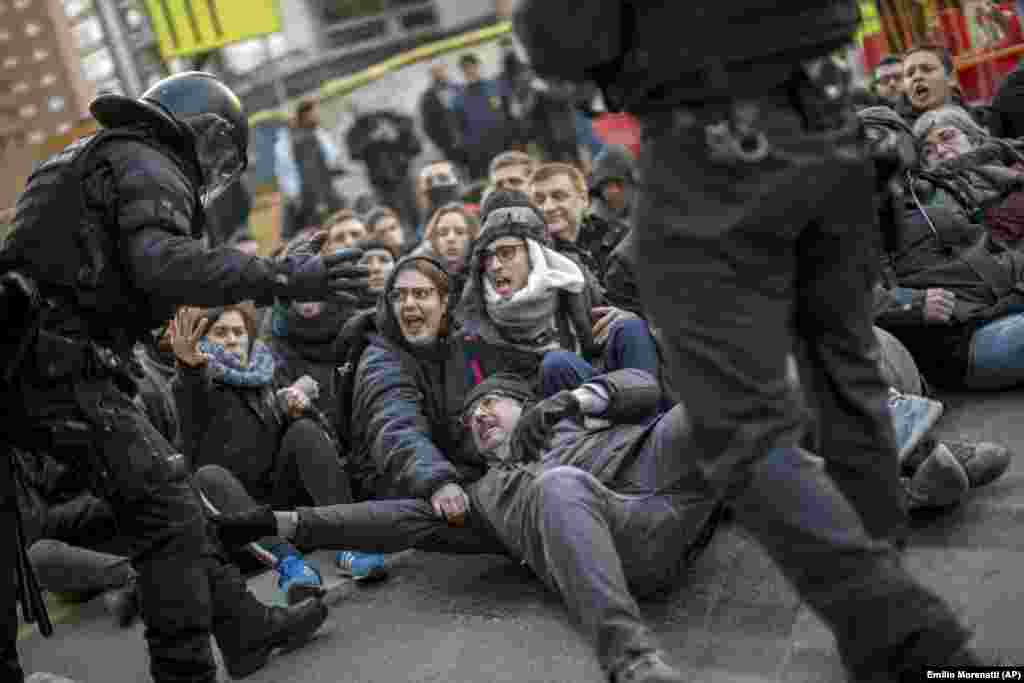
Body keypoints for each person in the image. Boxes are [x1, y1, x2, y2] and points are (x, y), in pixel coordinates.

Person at [515, 2, 986, 678]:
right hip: (826, 130)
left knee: (744, 435)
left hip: (711, 156)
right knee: (844, 390)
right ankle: (884, 633)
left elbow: (559, 37)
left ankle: (909, 640)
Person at [0, 72, 371, 682]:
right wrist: (279, 276)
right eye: (222, 155)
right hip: (57, 363)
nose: (217, 171)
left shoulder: (92, 158)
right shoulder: (145, 159)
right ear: (202, 132)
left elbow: (89, 274)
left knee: (164, 499)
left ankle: (244, 628)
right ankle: (187, 672)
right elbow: (162, 263)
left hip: (36, 361)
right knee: (166, 509)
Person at [275, 99, 348, 242]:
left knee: (339, 222)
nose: (317, 116)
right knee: (315, 231)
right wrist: (296, 194)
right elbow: (286, 169)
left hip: (325, 188)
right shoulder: (292, 138)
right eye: (313, 113)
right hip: (308, 194)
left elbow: (332, 156)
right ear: (304, 115)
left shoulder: (316, 132)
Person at [346, 109, 422, 227]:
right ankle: (403, 238)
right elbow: (354, 153)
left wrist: (394, 132)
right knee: (392, 213)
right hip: (380, 181)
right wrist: (371, 139)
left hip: (402, 172)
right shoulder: (356, 131)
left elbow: (408, 123)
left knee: (413, 207)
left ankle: (419, 233)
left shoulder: (388, 117)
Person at [452, 53, 514, 181]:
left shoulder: (495, 86)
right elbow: (460, 128)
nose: (470, 71)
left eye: (472, 66)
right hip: (480, 153)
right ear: (462, 71)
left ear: (478, 66)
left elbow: (509, 113)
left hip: (503, 144)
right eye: (466, 68)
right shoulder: (459, 98)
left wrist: (514, 137)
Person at [418, 62, 463, 163]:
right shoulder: (427, 98)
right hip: (449, 147)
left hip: (471, 140)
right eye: (435, 71)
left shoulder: (460, 89)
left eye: (440, 70)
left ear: (445, 69)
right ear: (431, 75)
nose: (438, 74)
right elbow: (427, 126)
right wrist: (443, 143)